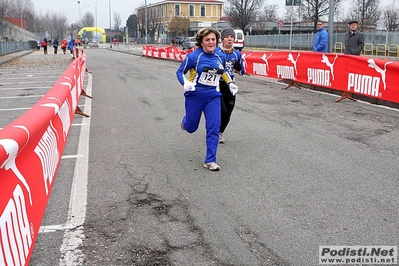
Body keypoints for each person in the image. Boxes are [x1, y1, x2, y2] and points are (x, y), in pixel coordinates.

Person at [176, 28, 238, 171]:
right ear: (201, 42)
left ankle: (210, 160)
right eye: (207, 40)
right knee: (191, 128)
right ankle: (186, 121)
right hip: (195, 95)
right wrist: (185, 83)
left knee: (214, 128)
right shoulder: (194, 56)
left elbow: (223, 72)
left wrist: (230, 83)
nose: (211, 42)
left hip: (213, 96)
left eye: (213, 39)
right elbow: (179, 71)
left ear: (217, 41)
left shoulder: (219, 56)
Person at [216, 28, 245, 144]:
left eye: (231, 37)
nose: (230, 39)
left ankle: (220, 132)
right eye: (227, 37)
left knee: (228, 112)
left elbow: (242, 72)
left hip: (231, 86)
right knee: (221, 111)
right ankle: (215, 131)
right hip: (218, 84)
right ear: (222, 39)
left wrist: (239, 68)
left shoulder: (237, 54)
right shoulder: (216, 52)